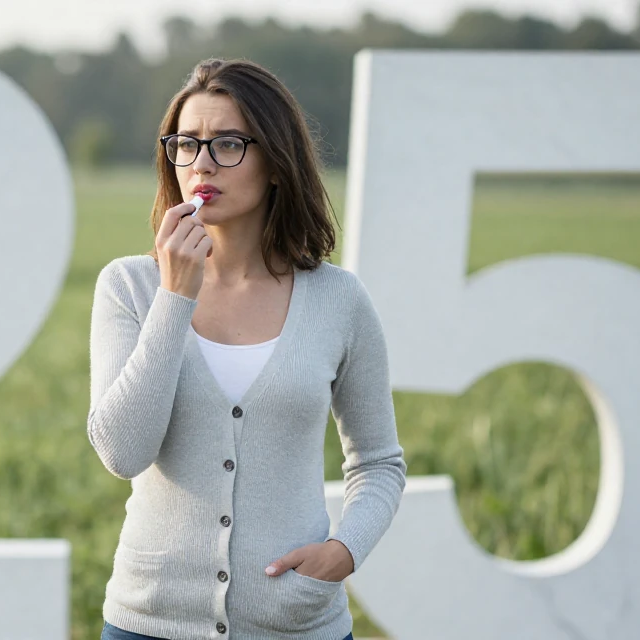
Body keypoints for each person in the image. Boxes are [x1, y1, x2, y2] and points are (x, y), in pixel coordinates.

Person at [87, 57, 406, 640]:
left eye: (228, 144)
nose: (201, 164)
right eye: (186, 143)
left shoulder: (337, 300)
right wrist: (175, 297)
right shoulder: (130, 287)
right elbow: (122, 453)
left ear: (277, 163)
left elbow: (379, 461)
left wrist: (345, 551)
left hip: (296, 624)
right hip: (149, 623)